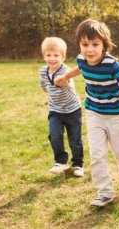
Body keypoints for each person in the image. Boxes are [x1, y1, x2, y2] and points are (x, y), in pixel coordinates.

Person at [53, 19, 119, 207]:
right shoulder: (81, 59)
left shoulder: (112, 65)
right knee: (97, 154)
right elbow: (80, 68)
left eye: (95, 44)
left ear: (104, 45)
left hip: (117, 115)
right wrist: (65, 76)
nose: (90, 50)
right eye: (85, 44)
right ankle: (104, 192)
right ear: (79, 45)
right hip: (94, 113)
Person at [38, 37, 84, 177]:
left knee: (75, 139)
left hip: (72, 110)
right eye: (48, 55)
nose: (52, 58)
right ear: (44, 56)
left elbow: (68, 84)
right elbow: (44, 86)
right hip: (55, 110)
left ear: (63, 57)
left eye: (56, 55)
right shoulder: (42, 71)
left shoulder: (66, 71)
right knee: (55, 135)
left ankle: (78, 164)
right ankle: (60, 162)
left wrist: (64, 82)